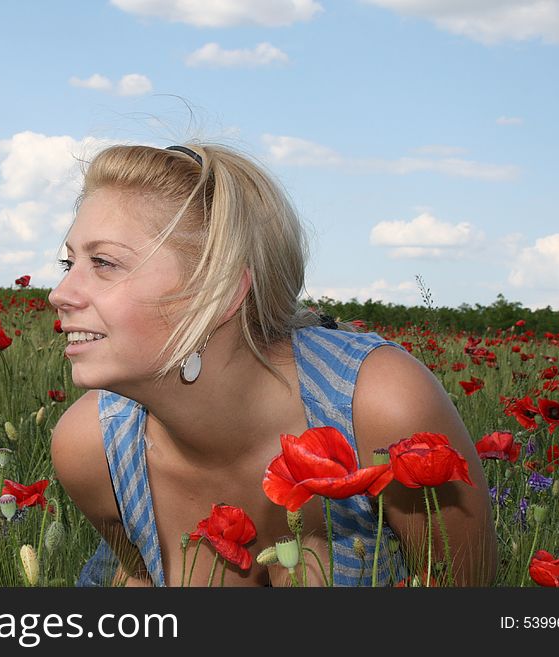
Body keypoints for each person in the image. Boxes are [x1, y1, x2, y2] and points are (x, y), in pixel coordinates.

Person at [48, 143, 497, 587]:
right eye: (69, 263)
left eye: (103, 262)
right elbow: (139, 581)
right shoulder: (93, 450)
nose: (61, 293)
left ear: (218, 293)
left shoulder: (380, 408)